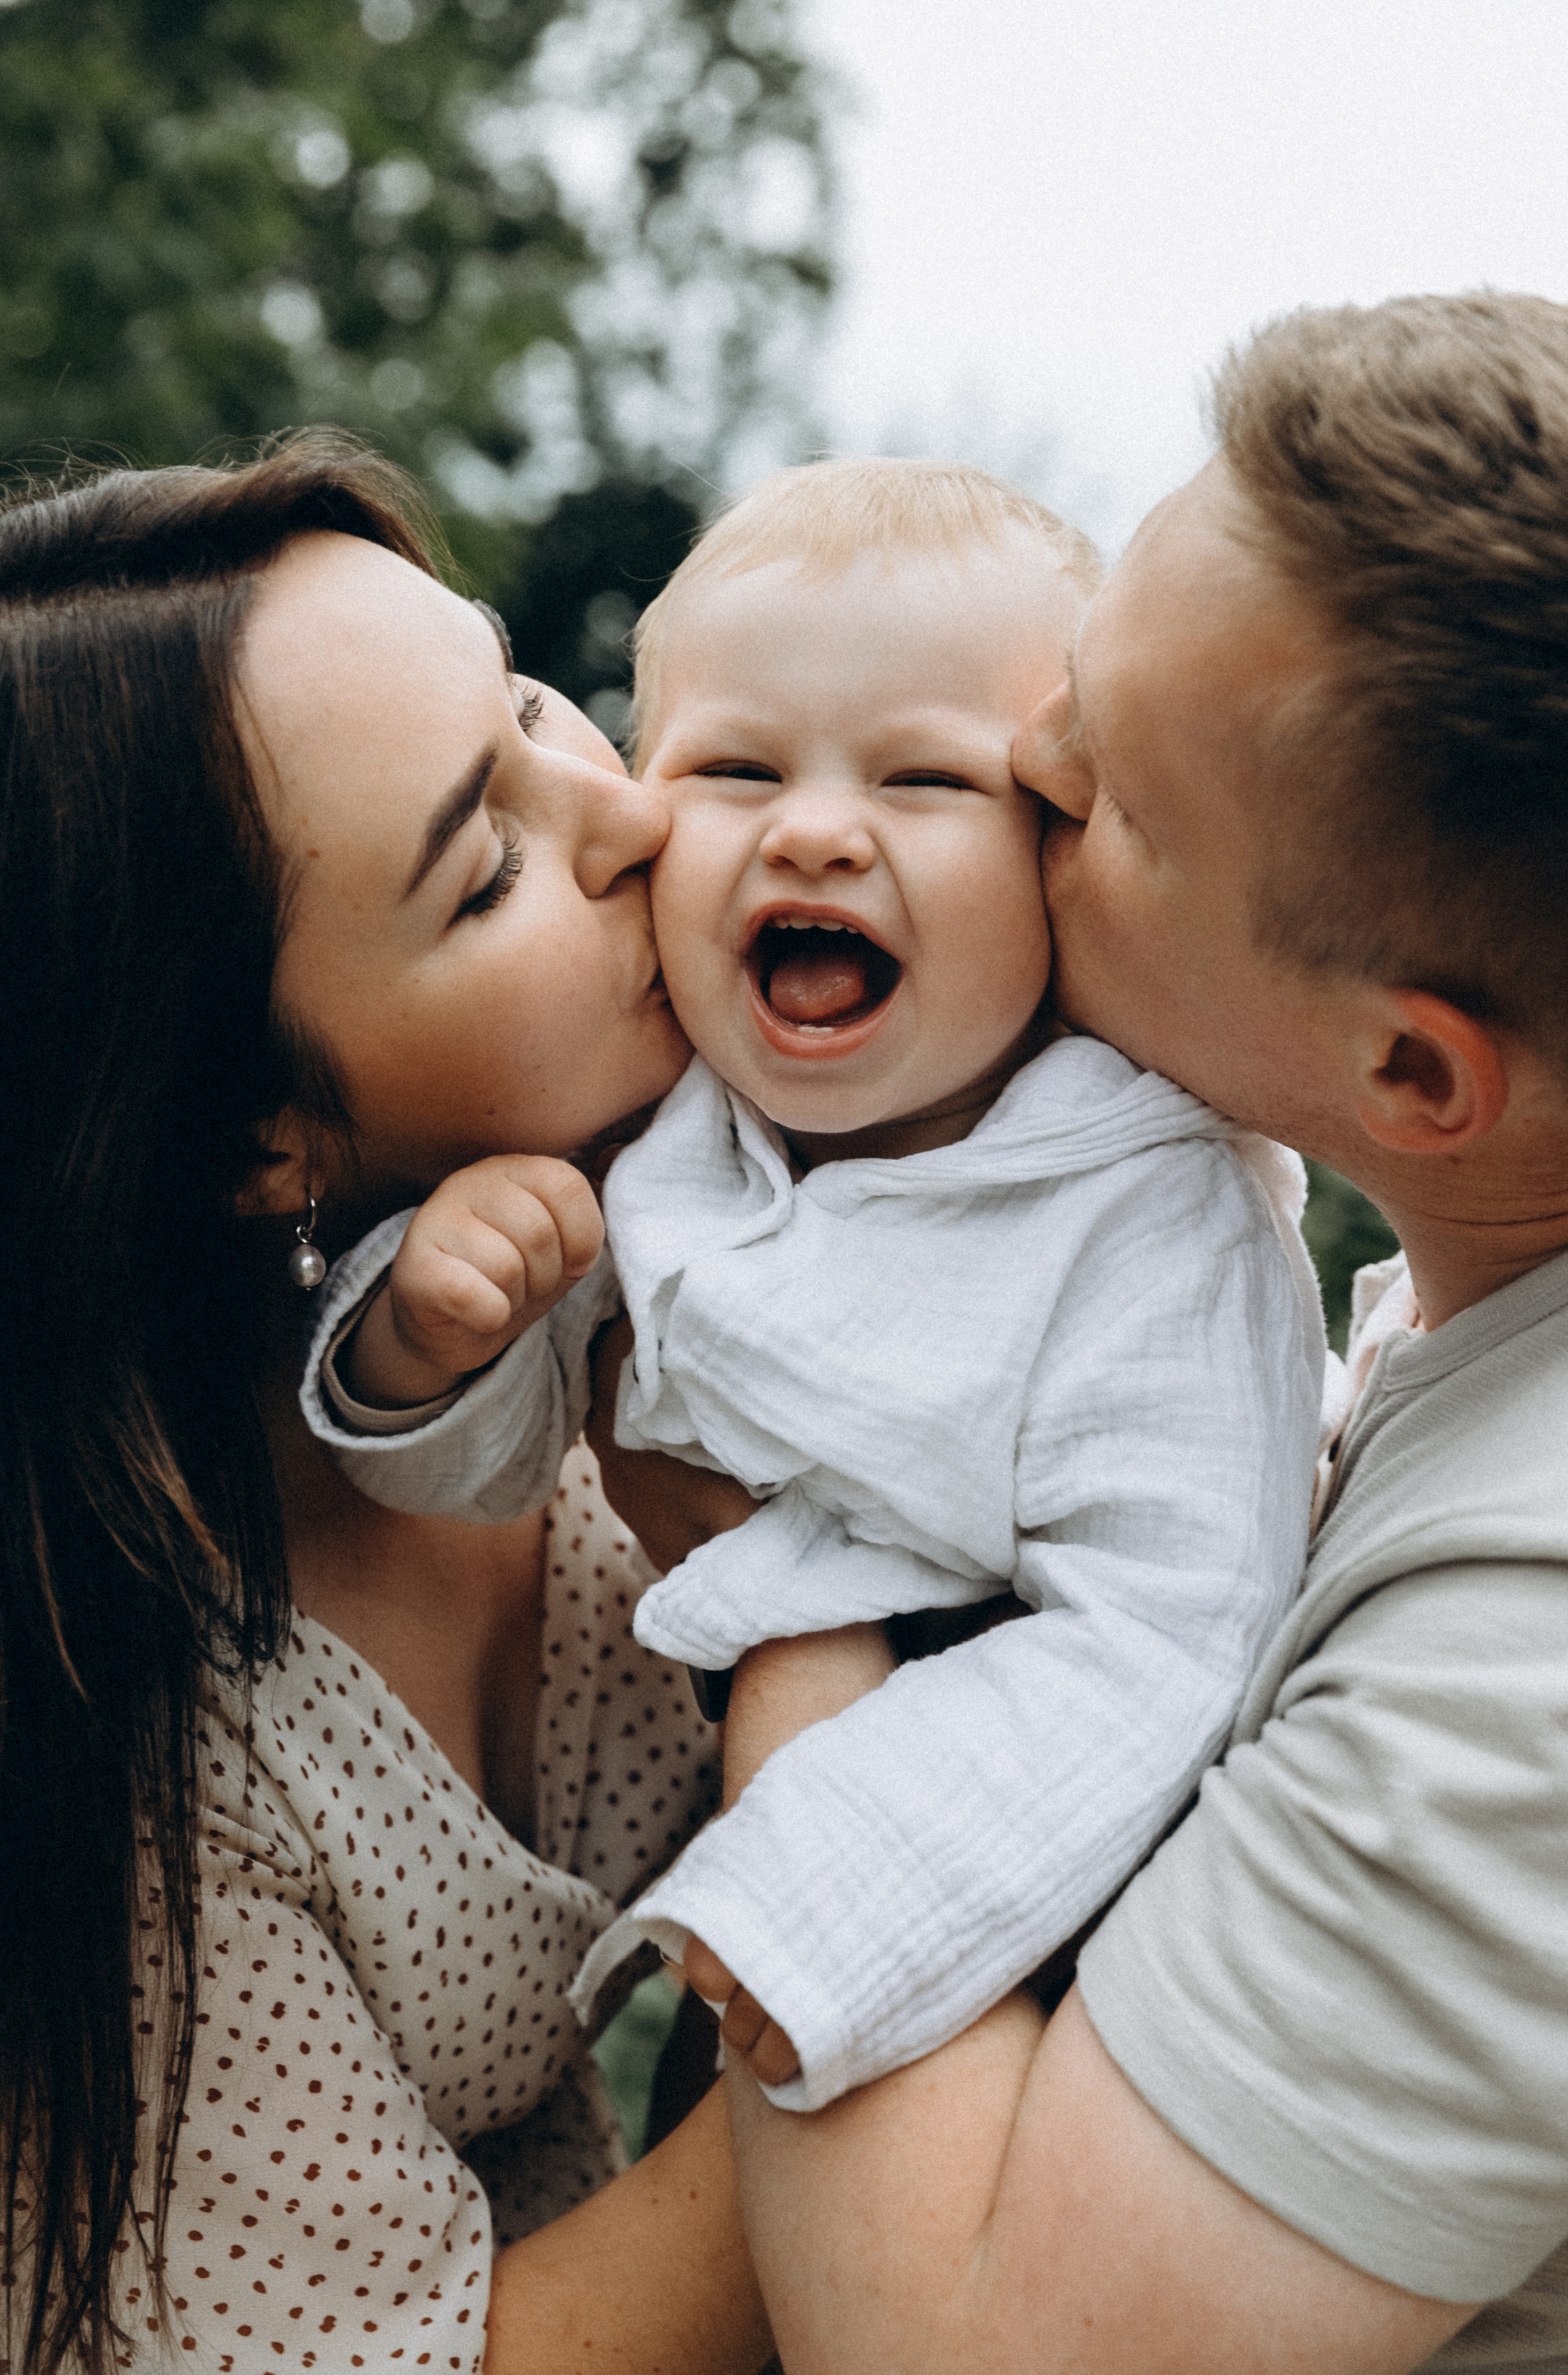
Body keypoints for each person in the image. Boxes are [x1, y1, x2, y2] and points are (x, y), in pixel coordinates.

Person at [620, 290, 1568, 2374]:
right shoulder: (1452, 1306)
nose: (1022, 767)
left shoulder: (1532, 1670)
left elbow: (964, 2351)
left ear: (1414, 1079)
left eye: (1108, 791)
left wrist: (783, 1588)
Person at [298, 458, 1325, 2112]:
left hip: (1051, 1906)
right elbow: (471, 1475)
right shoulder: (670, 1138)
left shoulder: (1143, 1208)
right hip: (773, 1900)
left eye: (925, 779)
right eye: (733, 767)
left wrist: (831, 1888)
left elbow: (1172, 1627)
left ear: (1064, 847)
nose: (818, 828)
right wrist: (430, 1343)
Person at [0, 440, 773, 2373]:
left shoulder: (634, 1266)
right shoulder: (134, 1735)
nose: (628, 817)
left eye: (523, 696)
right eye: (488, 866)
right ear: (261, 1137)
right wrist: (928, 1940)